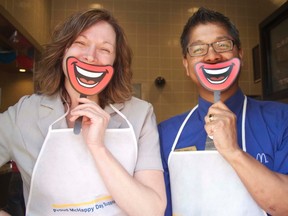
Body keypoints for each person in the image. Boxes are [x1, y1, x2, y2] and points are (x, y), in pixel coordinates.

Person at [0, 8, 166, 215]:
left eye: (105, 49)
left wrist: (98, 148)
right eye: (80, 43)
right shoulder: (24, 114)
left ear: (115, 63)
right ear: (63, 51)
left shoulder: (140, 114)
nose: (90, 56)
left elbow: (151, 211)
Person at [158, 7, 288, 216]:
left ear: (240, 54)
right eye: (198, 49)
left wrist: (233, 152)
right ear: (186, 64)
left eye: (222, 45)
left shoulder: (282, 119)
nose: (212, 56)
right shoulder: (165, 134)